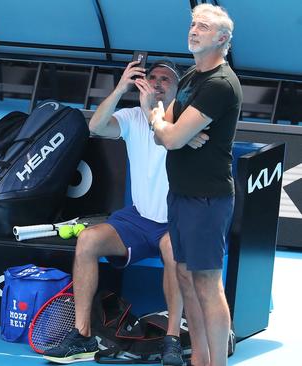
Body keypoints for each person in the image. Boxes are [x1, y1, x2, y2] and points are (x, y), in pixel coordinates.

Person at [43, 60, 209, 365]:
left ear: (179, 87)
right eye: (152, 77)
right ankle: (82, 337)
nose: (158, 82)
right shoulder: (132, 117)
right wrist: (121, 88)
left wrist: (153, 112)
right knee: (89, 241)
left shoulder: (187, 120)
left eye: (166, 78)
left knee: (173, 249)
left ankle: (171, 339)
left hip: (178, 218)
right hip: (139, 218)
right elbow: (95, 126)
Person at [149, 4, 241, 366]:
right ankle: (199, 359)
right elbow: (165, 135)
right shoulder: (190, 77)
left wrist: (167, 126)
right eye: (192, 24)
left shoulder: (220, 84)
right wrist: (167, 125)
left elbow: (169, 136)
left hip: (207, 199)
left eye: (203, 26)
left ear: (221, 39)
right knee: (186, 276)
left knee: (206, 282)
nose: (193, 29)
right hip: (181, 195)